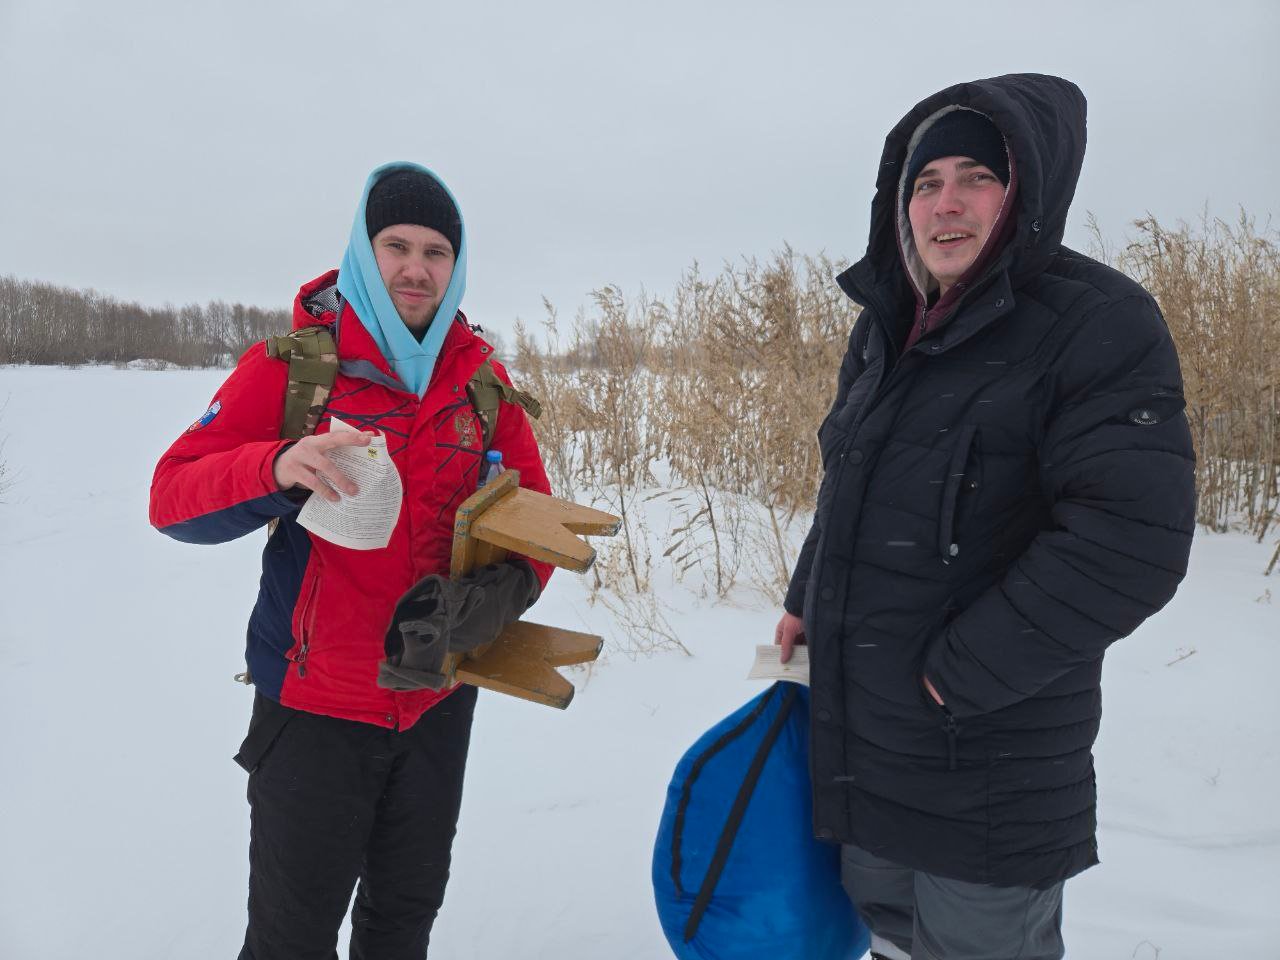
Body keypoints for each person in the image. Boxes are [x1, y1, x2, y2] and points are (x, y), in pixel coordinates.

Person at [775, 74, 1196, 960]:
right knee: (887, 932)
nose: (947, 203)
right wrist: (806, 594)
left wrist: (957, 677)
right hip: (868, 742)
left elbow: (1129, 542)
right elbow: (847, 482)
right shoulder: (890, 321)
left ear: (1025, 190)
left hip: (990, 760)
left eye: (975, 176)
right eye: (925, 183)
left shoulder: (1096, 323)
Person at [150, 162, 552, 959]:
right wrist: (277, 466)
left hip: (436, 705)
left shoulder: (483, 386)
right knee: (291, 942)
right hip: (313, 712)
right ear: (365, 255)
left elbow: (534, 526)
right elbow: (171, 501)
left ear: (456, 264)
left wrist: (499, 595)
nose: (415, 266)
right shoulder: (295, 369)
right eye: (396, 245)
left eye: (436, 251)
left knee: (401, 928)